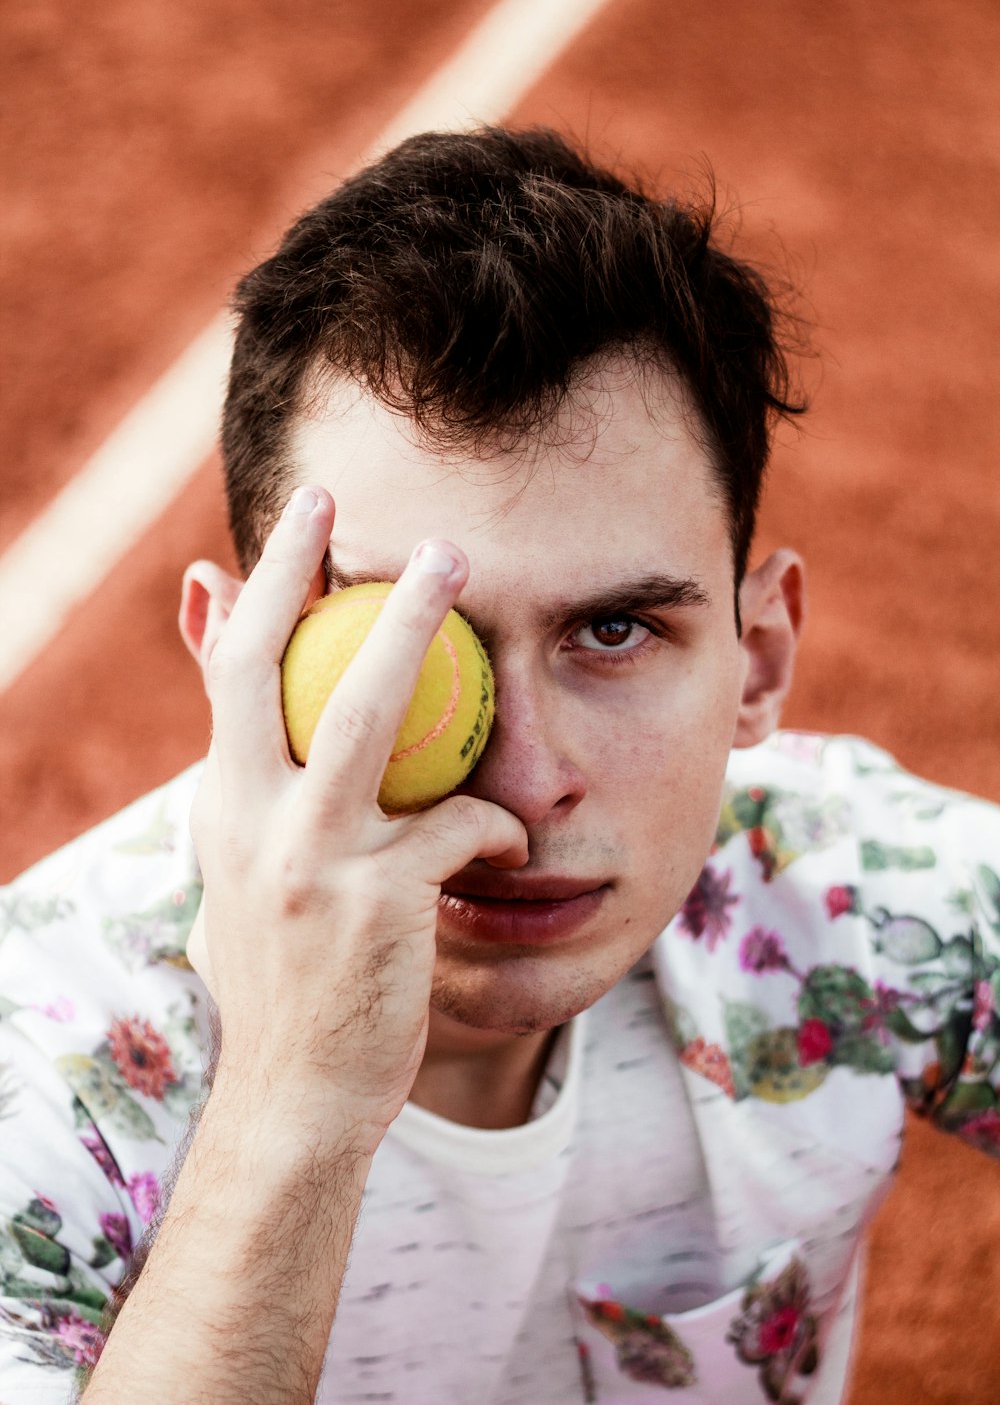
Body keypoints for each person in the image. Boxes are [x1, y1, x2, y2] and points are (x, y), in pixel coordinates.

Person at [1, 126, 997, 1405]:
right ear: (231, 664)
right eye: (405, 653)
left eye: (616, 630)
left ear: (756, 661)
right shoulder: (47, 1062)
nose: (524, 785)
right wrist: (287, 1110)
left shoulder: (854, 900)